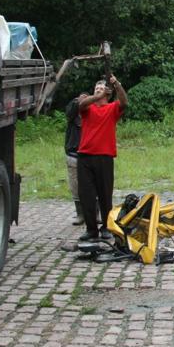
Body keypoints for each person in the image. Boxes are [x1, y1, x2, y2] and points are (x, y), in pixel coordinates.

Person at [76, 75, 128, 241]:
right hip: (85, 156)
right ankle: (91, 229)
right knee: (86, 195)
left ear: (108, 93)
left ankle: (106, 227)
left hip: (104, 157)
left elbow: (124, 102)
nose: (97, 91)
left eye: (100, 89)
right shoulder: (87, 108)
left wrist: (116, 84)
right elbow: (81, 104)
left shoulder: (112, 108)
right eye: (95, 89)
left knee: (105, 194)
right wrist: (96, 96)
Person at [65, 95, 86, 226]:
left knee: (92, 186)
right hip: (73, 154)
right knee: (75, 185)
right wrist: (77, 100)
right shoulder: (73, 117)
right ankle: (80, 214)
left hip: (89, 154)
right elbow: (70, 111)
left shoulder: (92, 115)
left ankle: (95, 214)